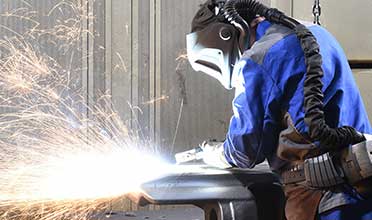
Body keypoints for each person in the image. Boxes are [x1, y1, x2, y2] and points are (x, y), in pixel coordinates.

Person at [186, 0, 372, 220]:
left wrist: (213, 153)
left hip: (322, 202)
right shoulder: (316, 33)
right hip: (363, 188)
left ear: (226, 37)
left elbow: (244, 150)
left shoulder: (258, 59)